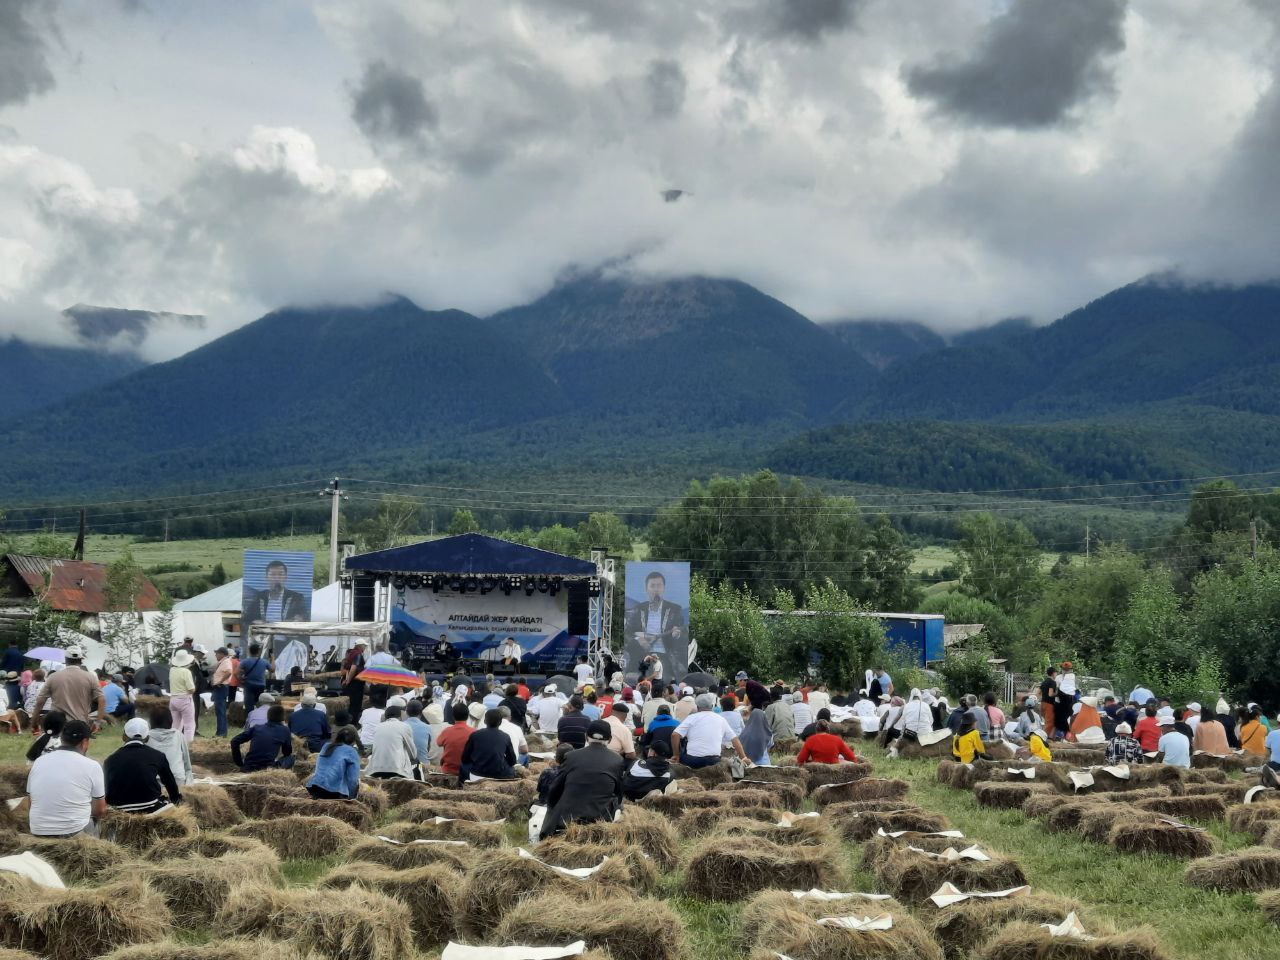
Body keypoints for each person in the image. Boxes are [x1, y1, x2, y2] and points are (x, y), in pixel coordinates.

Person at [540, 720, 626, 839]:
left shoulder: (571, 756)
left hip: (566, 820)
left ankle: (545, 834)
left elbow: (556, 787)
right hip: (599, 821)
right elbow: (619, 793)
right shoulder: (617, 760)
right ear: (610, 739)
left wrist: (552, 806)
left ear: (586, 737)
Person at [26, 720, 106, 837]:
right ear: (84, 742)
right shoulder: (92, 766)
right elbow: (100, 810)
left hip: (38, 831)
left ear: (62, 739)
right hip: (74, 833)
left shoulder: (39, 762)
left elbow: (30, 803)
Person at [104, 718, 183, 814]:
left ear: (123, 737)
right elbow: (170, 783)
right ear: (147, 738)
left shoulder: (110, 760)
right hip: (151, 808)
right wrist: (176, 800)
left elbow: (106, 791)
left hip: (120, 810)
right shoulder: (157, 755)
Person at [625, 570, 685, 672]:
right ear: (646, 589)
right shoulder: (639, 609)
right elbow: (628, 632)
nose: (656, 589)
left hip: (665, 655)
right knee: (636, 676)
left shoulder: (675, 609)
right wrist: (639, 639)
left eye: (659, 585)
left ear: (664, 588)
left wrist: (676, 634)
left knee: (663, 678)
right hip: (641, 654)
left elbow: (682, 632)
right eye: (652, 586)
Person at [33, 645, 105, 730]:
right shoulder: (90, 677)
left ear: (65, 660)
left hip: (57, 725)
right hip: (80, 724)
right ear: (81, 660)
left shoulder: (53, 677)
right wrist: (97, 722)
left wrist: (34, 722)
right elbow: (102, 699)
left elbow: (40, 702)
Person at [671, 693, 750, 768]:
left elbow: (675, 735)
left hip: (693, 760)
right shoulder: (720, 719)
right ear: (712, 706)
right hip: (714, 761)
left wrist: (676, 755)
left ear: (697, 707)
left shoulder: (691, 718)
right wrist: (744, 757)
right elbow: (735, 740)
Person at [230, 704, 294, 771]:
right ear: (283, 717)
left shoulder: (256, 728)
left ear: (268, 716)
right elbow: (287, 752)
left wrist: (239, 763)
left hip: (248, 767)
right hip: (268, 768)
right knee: (291, 758)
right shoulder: (285, 730)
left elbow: (234, 741)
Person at [244, 558, 308, 623]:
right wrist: (255, 622)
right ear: (267, 578)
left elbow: (304, 618)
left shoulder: (296, 598)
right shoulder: (258, 597)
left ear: (286, 577)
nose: (277, 578)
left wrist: (299, 619)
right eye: (273, 574)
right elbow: (247, 619)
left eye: (280, 574)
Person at [460, 709, 518, 781]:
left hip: (476, 775)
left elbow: (464, 758)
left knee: (463, 765)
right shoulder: (505, 736)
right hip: (499, 776)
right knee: (512, 769)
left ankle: (461, 785)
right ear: (500, 723)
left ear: (485, 721)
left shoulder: (475, 735)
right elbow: (512, 761)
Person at [307, 726, 362, 800]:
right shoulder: (352, 751)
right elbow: (352, 779)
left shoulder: (326, 746)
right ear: (353, 741)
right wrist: (351, 797)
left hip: (315, 786)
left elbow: (318, 769)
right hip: (333, 791)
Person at [368, 704, 418, 780]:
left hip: (375, 769)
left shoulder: (377, 727)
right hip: (396, 770)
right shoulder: (404, 726)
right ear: (400, 716)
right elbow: (413, 754)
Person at [147, 706, 193, 786]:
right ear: (170, 720)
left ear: (151, 721)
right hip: (177, 781)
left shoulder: (146, 737)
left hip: (154, 782)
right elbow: (187, 765)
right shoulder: (179, 735)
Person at [436, 702, 474, 778]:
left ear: (453, 716)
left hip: (448, 771)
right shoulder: (474, 732)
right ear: (467, 716)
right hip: (467, 773)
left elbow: (438, 743)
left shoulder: (447, 731)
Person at [237, 642, 271, 718]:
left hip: (249, 685)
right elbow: (273, 669)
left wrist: (241, 680)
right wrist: (273, 658)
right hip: (261, 685)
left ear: (249, 651)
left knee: (249, 705)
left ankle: (249, 720)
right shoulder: (264, 662)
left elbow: (237, 673)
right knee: (259, 703)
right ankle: (260, 718)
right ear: (259, 651)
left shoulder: (245, 661)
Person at [404, 700, 434, 775]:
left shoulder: (401, 726)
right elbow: (428, 748)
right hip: (423, 767)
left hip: (404, 766)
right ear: (421, 713)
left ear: (406, 712)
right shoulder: (428, 727)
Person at [739, 702, 774, 766]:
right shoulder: (768, 732)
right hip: (765, 764)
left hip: (749, 765)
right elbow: (770, 745)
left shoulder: (744, 733)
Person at [209, 647, 234, 737]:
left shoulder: (226, 661)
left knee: (220, 710)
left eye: (217, 653)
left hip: (221, 687)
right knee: (219, 710)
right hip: (219, 687)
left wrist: (220, 681)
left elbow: (229, 672)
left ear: (222, 654)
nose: (215, 655)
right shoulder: (222, 662)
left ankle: (222, 732)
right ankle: (220, 732)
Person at [342, 640, 368, 718]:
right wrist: (348, 681)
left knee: (351, 702)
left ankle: (348, 719)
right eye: (364, 646)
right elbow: (353, 668)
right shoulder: (358, 654)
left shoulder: (351, 653)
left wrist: (346, 680)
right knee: (356, 703)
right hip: (356, 683)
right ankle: (354, 721)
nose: (365, 647)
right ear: (360, 646)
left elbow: (347, 669)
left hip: (351, 682)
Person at [1057, 662, 1078, 738]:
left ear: (1070, 670)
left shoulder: (1073, 677)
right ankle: (1061, 735)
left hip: (1070, 700)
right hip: (1060, 700)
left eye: (1067, 669)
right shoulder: (1058, 677)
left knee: (1069, 717)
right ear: (1062, 669)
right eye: (1064, 669)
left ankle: (1069, 734)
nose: (1065, 671)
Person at [1039, 668, 1059, 740]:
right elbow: (1050, 694)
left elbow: (1038, 693)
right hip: (1049, 705)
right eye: (1056, 673)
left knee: (1046, 722)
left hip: (1042, 703)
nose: (1056, 674)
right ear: (1053, 673)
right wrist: (1057, 693)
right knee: (1050, 723)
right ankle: (1043, 739)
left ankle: (1050, 737)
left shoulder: (1044, 682)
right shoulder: (1052, 682)